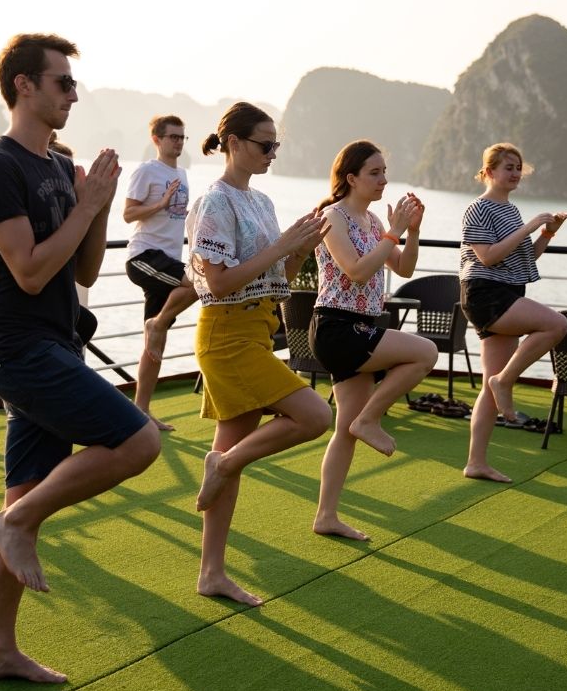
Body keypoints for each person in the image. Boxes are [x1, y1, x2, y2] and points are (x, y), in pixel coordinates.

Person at [0, 34, 161, 684]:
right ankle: (13, 523)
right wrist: (82, 207)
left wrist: (96, 209)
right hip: (19, 347)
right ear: (24, 86)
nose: (73, 94)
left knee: (26, 492)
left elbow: (80, 267)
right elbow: (24, 271)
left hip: (55, 341)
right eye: (61, 83)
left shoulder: (54, 166)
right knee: (139, 442)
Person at [187, 101, 333, 607]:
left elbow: (276, 282)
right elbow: (219, 280)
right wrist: (280, 248)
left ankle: (212, 573)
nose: (272, 153)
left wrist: (298, 250)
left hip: (256, 328)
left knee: (234, 449)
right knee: (315, 415)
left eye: (277, 145)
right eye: (264, 144)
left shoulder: (263, 204)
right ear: (233, 142)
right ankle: (222, 465)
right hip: (225, 335)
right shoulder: (214, 202)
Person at [309, 140, 438, 540]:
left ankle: (326, 516)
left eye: (385, 171)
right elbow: (357, 272)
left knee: (344, 428)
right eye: (375, 173)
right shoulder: (333, 217)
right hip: (337, 327)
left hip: (359, 325)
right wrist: (394, 230)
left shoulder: (370, 222)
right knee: (426, 352)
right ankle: (371, 418)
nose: (384, 180)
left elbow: (404, 267)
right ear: (351, 178)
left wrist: (410, 232)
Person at [458, 143, 567, 483]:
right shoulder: (478, 209)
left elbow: (524, 260)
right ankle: (505, 381)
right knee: (556, 324)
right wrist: (530, 226)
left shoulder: (511, 211)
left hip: (507, 292)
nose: (516, 173)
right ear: (489, 172)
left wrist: (547, 234)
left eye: (519, 167)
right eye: (509, 167)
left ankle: (476, 462)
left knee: (488, 390)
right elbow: (488, 257)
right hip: (485, 295)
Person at [123, 115, 199, 430]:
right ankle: (159, 321)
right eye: (172, 137)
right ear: (157, 140)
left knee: (155, 344)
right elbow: (128, 213)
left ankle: (141, 412)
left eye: (182, 137)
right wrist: (161, 203)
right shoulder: (147, 171)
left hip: (168, 261)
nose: (178, 142)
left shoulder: (181, 172)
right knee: (201, 283)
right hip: (145, 257)